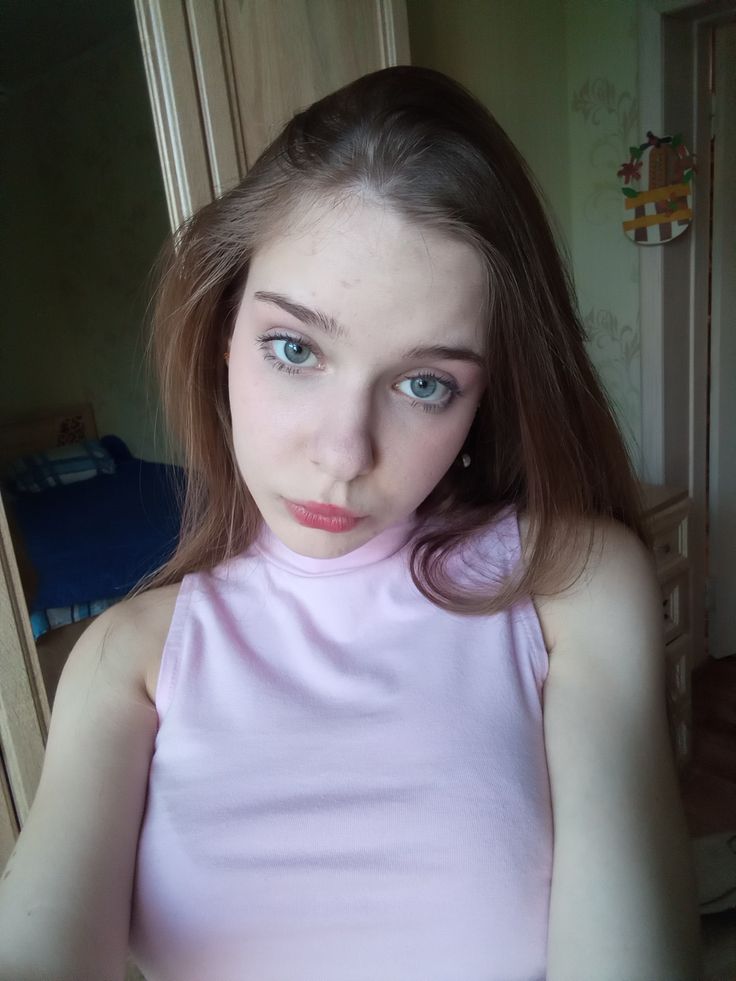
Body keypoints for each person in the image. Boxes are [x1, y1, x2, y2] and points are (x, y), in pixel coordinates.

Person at [0, 66, 700, 981]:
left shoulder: (570, 586)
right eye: (295, 348)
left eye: (424, 383)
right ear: (224, 331)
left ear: (484, 397)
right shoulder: (125, 658)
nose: (343, 452)